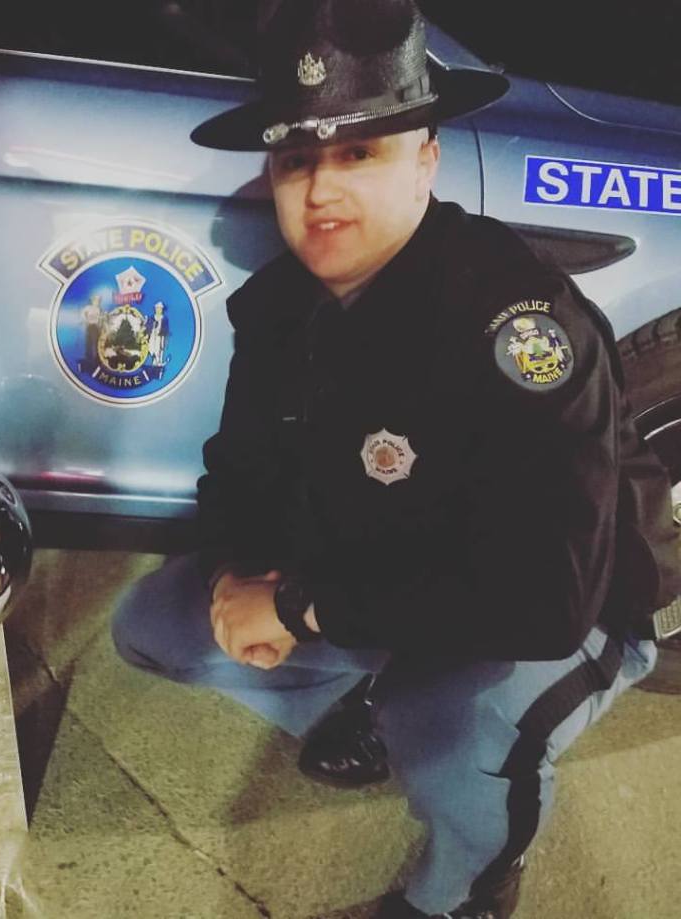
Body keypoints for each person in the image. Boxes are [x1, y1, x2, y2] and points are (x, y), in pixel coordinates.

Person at [111, 1, 681, 917]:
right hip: (388, 574)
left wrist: (297, 604)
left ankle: (468, 885)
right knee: (156, 621)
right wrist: (237, 574)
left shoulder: (517, 325)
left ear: (426, 160)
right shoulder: (277, 308)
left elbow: (541, 598)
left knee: (447, 732)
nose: (321, 190)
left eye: (359, 153)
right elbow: (239, 475)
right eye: (297, 160)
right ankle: (370, 698)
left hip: (575, 608)